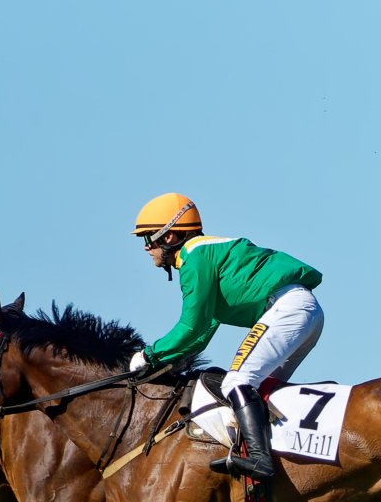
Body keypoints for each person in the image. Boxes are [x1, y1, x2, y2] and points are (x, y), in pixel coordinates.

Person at [129, 192, 324, 482]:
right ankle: (287, 462)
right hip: (302, 311)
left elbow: (191, 327)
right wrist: (162, 365)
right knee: (263, 391)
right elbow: (200, 337)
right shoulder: (207, 256)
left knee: (237, 381)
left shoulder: (195, 258)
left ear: (168, 237)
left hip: (288, 309)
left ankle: (259, 461)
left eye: (147, 239)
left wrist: (148, 355)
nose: (146, 248)